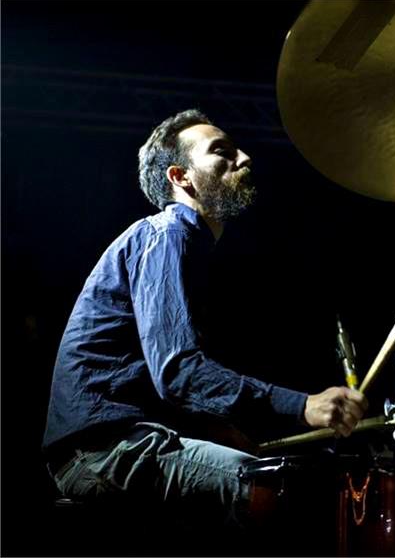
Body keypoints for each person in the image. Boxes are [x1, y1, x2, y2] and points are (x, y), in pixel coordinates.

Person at [41, 109, 368, 538]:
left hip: (124, 441)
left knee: (268, 472)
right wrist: (303, 406)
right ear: (181, 177)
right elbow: (178, 373)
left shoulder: (186, 250)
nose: (244, 158)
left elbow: (166, 384)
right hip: (105, 449)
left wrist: (223, 431)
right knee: (276, 489)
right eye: (221, 152)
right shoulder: (166, 235)